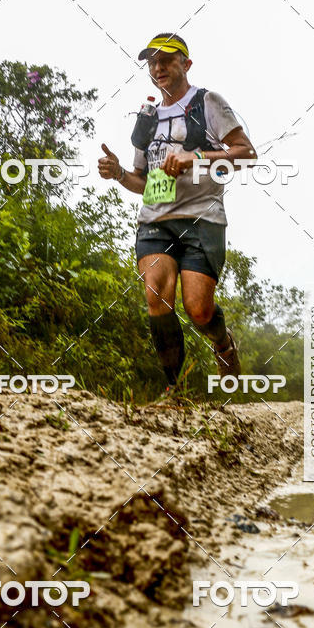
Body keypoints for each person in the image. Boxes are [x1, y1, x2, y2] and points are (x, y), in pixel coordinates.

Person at [98, 32, 257, 392]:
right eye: (152, 62)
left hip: (203, 220)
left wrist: (195, 157)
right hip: (156, 221)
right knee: (156, 294)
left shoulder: (207, 102)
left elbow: (246, 153)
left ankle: (223, 343)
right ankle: (174, 390)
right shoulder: (148, 118)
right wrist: (118, 172)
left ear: (186, 64)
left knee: (198, 308)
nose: (158, 67)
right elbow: (142, 181)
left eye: (167, 60)